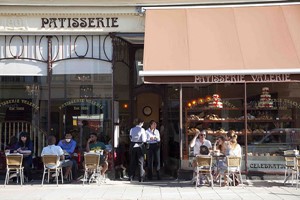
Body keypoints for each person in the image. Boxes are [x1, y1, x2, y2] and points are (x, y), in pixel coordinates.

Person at [128, 118, 147, 182]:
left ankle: (131, 177)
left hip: (133, 146)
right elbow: (144, 140)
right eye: (143, 123)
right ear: (141, 123)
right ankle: (141, 178)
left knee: (132, 162)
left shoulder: (131, 129)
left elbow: (130, 138)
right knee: (140, 162)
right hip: (140, 146)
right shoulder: (142, 130)